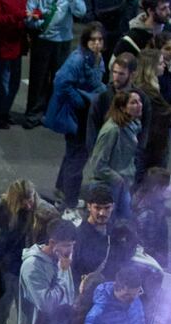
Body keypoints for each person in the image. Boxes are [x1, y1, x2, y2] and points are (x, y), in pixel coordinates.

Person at [46, 23, 109, 205]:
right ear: (86, 41)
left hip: (87, 112)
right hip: (77, 115)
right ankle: (70, 200)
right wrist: (80, 101)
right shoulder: (77, 60)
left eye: (100, 40)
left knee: (73, 154)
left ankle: (62, 188)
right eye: (93, 40)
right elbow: (60, 82)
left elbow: (97, 82)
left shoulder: (98, 58)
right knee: (78, 155)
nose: (96, 43)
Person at [18, 219, 79, 324]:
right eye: (66, 245)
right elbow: (47, 305)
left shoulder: (62, 258)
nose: (70, 250)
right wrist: (63, 273)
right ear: (52, 243)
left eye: (72, 245)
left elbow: (68, 295)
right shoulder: (32, 266)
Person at [84, 89, 143, 215]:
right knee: (109, 222)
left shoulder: (133, 125)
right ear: (122, 108)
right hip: (108, 186)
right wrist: (118, 178)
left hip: (122, 184)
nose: (139, 105)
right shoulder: (112, 130)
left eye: (139, 101)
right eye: (133, 102)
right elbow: (98, 164)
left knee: (125, 222)